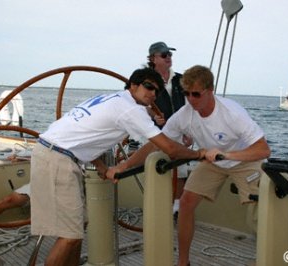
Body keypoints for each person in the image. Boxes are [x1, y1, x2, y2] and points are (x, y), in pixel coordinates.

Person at [30, 67, 205, 266]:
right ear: (133, 85)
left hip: (53, 154)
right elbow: (167, 148)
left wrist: (103, 167)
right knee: (70, 236)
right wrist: (199, 154)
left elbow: (85, 140)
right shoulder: (131, 109)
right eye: (148, 87)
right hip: (58, 160)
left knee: (76, 232)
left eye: (157, 91)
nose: (153, 94)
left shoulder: (111, 99)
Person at [108, 65, 271, 266]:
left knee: (260, 213)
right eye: (186, 94)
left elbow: (263, 150)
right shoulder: (184, 115)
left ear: (210, 91)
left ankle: (269, 259)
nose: (191, 99)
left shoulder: (232, 113)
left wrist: (226, 154)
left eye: (196, 94)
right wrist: (124, 166)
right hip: (212, 161)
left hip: (244, 159)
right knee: (185, 204)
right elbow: (154, 144)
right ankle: (183, 262)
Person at [147, 41, 189, 216]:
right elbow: (140, 105)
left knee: (180, 171)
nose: (168, 58)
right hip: (156, 132)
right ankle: (160, 206)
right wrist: (152, 115)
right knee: (158, 167)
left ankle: (176, 208)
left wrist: (189, 131)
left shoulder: (180, 80)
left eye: (170, 55)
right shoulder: (146, 81)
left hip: (178, 132)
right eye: (164, 55)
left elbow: (190, 107)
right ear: (153, 59)